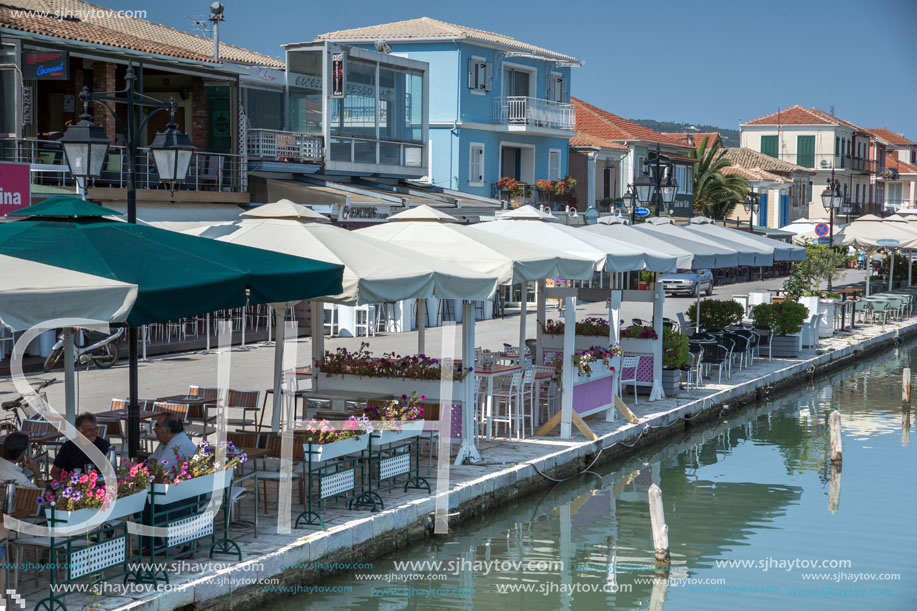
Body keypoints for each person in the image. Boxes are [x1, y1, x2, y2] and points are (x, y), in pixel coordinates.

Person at [50, 413, 111, 480]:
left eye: (95, 429)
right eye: (90, 430)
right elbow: (54, 472)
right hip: (74, 487)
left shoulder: (104, 446)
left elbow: (111, 472)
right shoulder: (68, 447)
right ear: (79, 430)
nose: (94, 432)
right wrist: (64, 486)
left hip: (98, 486)